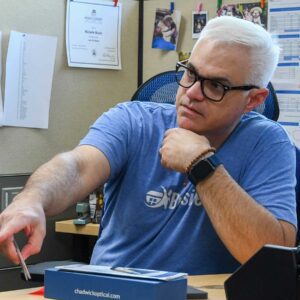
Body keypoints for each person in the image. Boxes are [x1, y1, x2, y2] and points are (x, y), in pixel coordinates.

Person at [0, 16, 296, 275]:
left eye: (216, 86)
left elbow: (271, 255)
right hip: (113, 291)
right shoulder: (132, 120)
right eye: (191, 73)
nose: (191, 93)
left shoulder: (267, 143)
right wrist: (32, 199)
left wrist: (202, 165)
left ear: (254, 100)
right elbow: (77, 167)